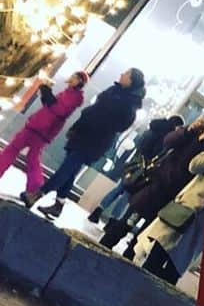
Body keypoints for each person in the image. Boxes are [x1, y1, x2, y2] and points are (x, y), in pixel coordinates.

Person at [24, 69, 145, 219]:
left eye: (126, 74)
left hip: (95, 141)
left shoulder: (129, 104)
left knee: (67, 167)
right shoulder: (114, 91)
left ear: (131, 81)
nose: (121, 74)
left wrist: (100, 124)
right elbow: (94, 110)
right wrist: (78, 126)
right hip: (83, 133)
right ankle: (58, 205)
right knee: (70, 171)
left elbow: (120, 124)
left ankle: (38, 193)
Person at [99, 115, 204, 255]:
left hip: (173, 196)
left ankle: (128, 255)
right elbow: (169, 141)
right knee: (128, 221)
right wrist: (189, 130)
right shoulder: (190, 135)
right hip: (156, 186)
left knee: (146, 232)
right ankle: (106, 244)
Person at [133, 137, 204, 285]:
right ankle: (137, 288)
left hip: (203, 223)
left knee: (174, 269)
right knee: (157, 254)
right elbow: (194, 165)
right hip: (185, 209)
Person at [0, 72, 88, 196]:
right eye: (73, 75)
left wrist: (47, 93)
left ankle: (34, 186)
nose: (71, 77)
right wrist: (46, 94)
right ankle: (34, 187)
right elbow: (52, 106)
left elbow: (58, 109)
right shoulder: (69, 94)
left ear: (79, 82)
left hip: (41, 127)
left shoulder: (73, 96)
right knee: (31, 156)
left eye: (75, 77)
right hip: (42, 128)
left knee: (15, 151)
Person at [87, 114, 184, 224]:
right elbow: (156, 153)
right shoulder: (165, 136)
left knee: (119, 189)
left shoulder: (153, 127)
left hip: (134, 163)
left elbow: (140, 144)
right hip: (143, 168)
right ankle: (112, 221)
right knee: (128, 195)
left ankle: (98, 210)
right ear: (175, 125)